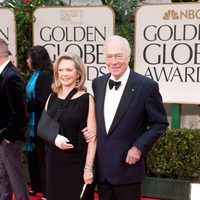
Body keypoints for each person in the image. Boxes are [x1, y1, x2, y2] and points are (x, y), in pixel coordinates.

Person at [84, 35, 169, 200]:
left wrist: (138, 147)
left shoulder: (146, 86)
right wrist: (90, 131)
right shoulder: (98, 83)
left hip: (127, 168)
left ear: (128, 57)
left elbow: (160, 123)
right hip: (102, 168)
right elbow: (98, 120)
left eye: (118, 56)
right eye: (109, 56)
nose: (113, 61)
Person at [45, 53, 96, 200]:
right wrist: (55, 138)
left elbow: (93, 139)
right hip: (54, 161)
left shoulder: (87, 99)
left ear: (78, 73)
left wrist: (88, 169)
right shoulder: (52, 97)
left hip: (76, 163)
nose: (64, 74)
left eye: (68, 70)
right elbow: (43, 128)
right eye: (60, 70)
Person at [0, 38, 29, 199]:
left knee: (15, 179)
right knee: (3, 178)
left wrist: (8, 136)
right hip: (4, 138)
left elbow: (20, 112)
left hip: (10, 140)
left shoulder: (11, 76)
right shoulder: (5, 73)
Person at [24, 45, 53, 200]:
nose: (27, 60)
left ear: (35, 59)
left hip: (42, 122)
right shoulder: (36, 74)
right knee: (34, 156)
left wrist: (25, 106)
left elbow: (43, 101)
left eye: (29, 57)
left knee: (43, 157)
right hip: (33, 121)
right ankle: (37, 187)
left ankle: (47, 192)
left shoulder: (44, 75)